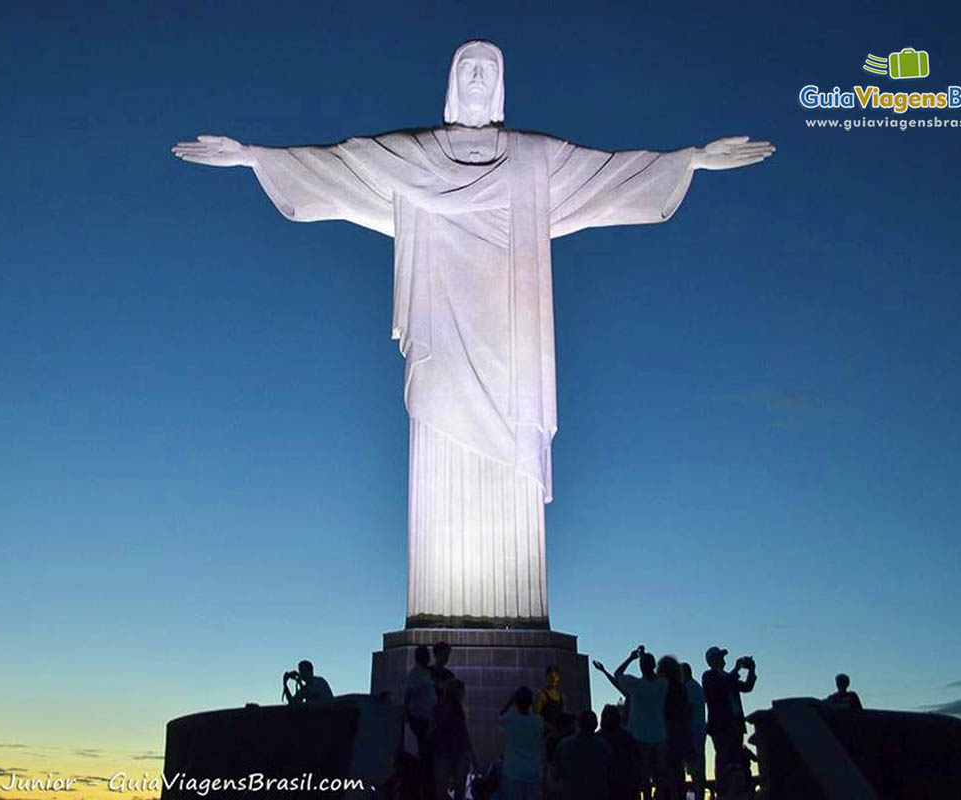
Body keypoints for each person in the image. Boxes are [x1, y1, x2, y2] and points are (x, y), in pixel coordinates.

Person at [172, 41, 775, 631]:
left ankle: (516, 607)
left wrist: (690, 159)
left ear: (503, 83)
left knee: (510, 455)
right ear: (454, 82)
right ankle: (439, 607)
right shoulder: (414, 155)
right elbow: (338, 164)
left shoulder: (536, 159)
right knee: (439, 438)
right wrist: (253, 155)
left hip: (513, 340)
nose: (481, 79)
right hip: (441, 333)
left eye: (491, 70)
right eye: (471, 69)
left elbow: (613, 172)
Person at [611, 646, 668, 799]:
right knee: (660, 776)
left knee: (643, 777)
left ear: (641, 667)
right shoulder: (663, 685)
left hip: (639, 736)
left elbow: (617, 674)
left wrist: (631, 658)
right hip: (660, 735)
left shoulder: (636, 685)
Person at [701, 647, 756, 782]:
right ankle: (722, 787)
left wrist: (751, 670)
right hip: (721, 726)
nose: (723, 659)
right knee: (723, 758)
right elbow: (721, 687)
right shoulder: (708, 676)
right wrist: (736, 669)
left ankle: (736, 787)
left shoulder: (727, 676)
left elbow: (747, 687)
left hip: (735, 724)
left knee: (735, 758)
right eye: (719, 656)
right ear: (712, 660)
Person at [431, 678, 475, 800]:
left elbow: (464, 733)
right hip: (450, 752)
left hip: (449, 752)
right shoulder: (445, 709)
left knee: (447, 789)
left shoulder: (446, 709)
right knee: (454, 789)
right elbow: (463, 734)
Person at [499, 686, 545, 800]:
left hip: (513, 771)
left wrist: (510, 701)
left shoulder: (509, 720)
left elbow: (500, 715)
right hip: (533, 771)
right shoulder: (538, 721)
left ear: (516, 702)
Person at [553, 710, 611, 800]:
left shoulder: (563, 746)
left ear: (578, 724)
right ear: (596, 724)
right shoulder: (604, 747)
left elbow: (556, 775)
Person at [658, 656, 689, 800]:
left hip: (664, 734)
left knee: (665, 775)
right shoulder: (682, 689)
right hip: (679, 734)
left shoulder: (660, 687)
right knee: (677, 772)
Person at [596, 704, 639, 800]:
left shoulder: (597, 739)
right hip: (625, 785)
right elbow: (636, 760)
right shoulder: (627, 737)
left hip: (605, 786)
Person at [405, 645, 438, 755]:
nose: (428, 658)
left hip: (429, 719)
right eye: (425, 655)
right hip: (421, 719)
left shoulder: (426, 673)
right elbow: (408, 695)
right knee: (425, 749)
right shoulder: (415, 675)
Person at [681, 661, 707, 800]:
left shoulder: (689, 687)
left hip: (692, 733)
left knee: (695, 769)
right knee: (697, 769)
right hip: (697, 731)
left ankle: (699, 796)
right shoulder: (695, 687)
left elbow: (688, 710)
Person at [534, 665, 565, 735]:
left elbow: (563, 715)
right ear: (546, 677)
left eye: (555, 677)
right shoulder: (541, 695)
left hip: (559, 733)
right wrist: (550, 728)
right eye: (550, 676)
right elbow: (536, 717)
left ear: (558, 677)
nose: (553, 679)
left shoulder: (561, 696)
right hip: (546, 734)